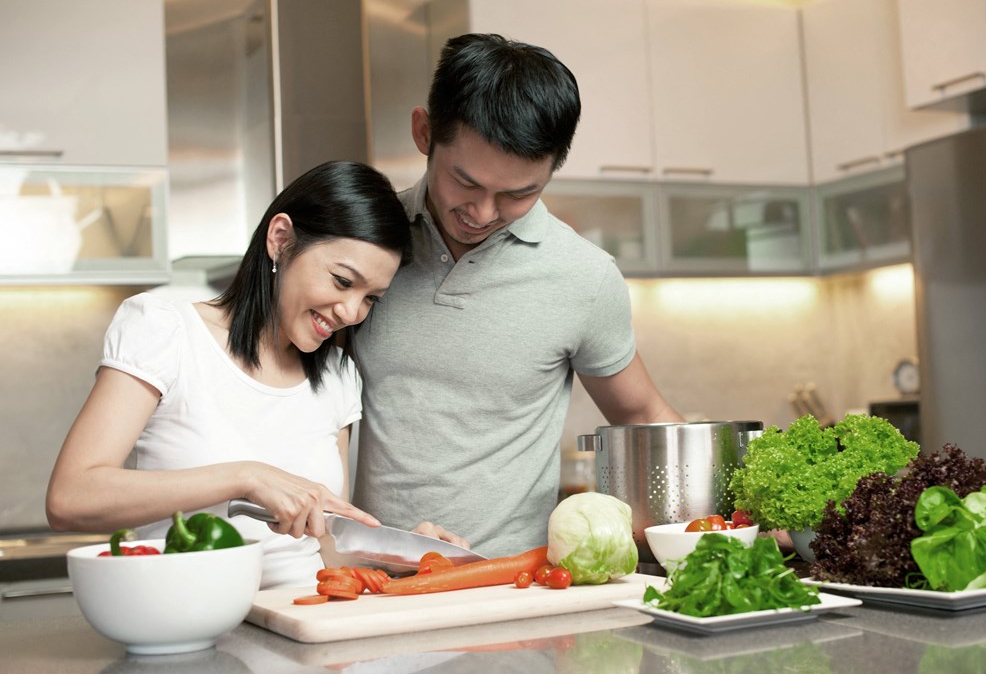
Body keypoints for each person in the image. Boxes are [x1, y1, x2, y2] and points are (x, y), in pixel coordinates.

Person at [46, 161, 465, 588]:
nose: (350, 312)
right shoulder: (165, 331)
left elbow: (323, 545)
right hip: (187, 618)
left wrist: (403, 555)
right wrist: (246, 476)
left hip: (302, 627)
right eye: (342, 281)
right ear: (281, 239)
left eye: (371, 298)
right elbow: (70, 497)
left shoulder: (338, 377)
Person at [351, 34, 682, 559]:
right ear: (423, 132)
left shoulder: (584, 277)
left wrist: (725, 517)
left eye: (519, 194)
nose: (482, 213)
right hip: (362, 579)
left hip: (514, 584)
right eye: (465, 182)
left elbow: (641, 413)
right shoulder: (361, 249)